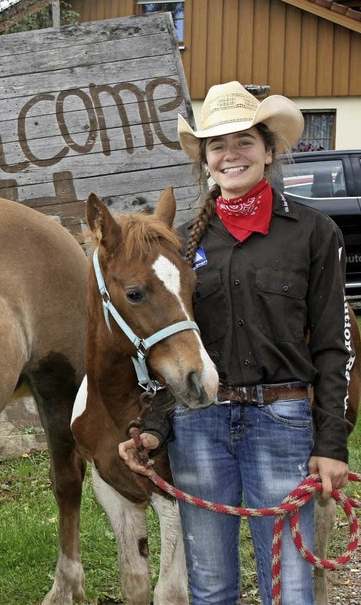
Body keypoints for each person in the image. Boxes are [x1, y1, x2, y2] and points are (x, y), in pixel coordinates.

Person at [119, 81, 353, 604]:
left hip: (284, 422)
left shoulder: (314, 233)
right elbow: (166, 346)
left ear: (269, 151)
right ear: (205, 161)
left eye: (244, 140)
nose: (232, 154)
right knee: (211, 585)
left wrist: (330, 445)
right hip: (201, 425)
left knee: (290, 587)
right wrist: (154, 428)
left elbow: (335, 348)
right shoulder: (179, 245)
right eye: (218, 145)